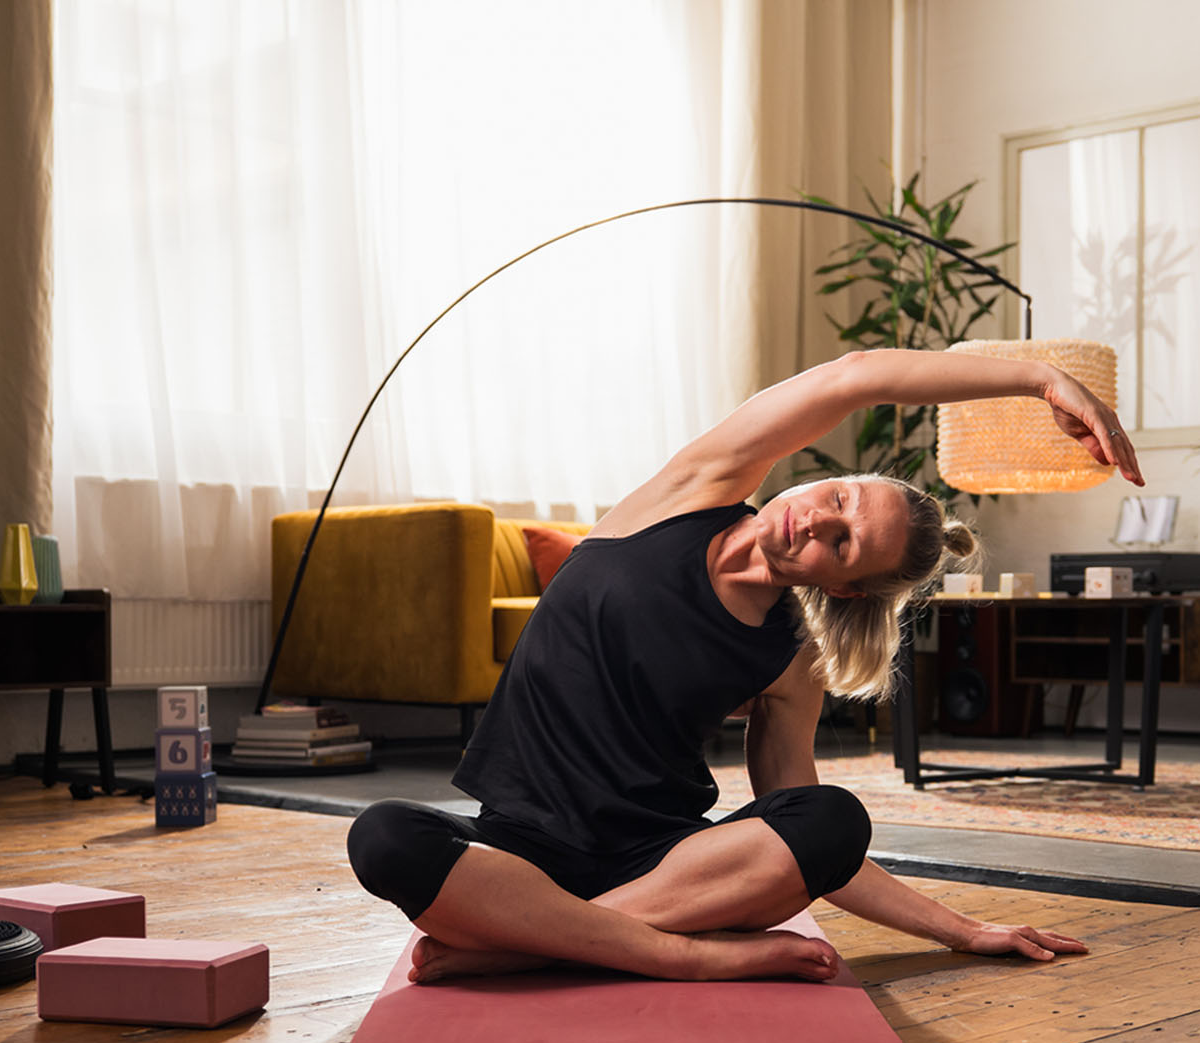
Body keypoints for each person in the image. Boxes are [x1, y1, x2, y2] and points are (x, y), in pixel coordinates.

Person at [347, 345, 1144, 984]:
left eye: (841, 545)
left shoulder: (789, 654)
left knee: (834, 821)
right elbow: (855, 376)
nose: (815, 522)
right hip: (520, 849)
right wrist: (1039, 377)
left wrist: (965, 931)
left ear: (847, 586)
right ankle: (670, 953)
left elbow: (805, 827)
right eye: (837, 498)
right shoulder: (691, 491)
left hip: (662, 862)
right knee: (386, 838)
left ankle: (536, 946)